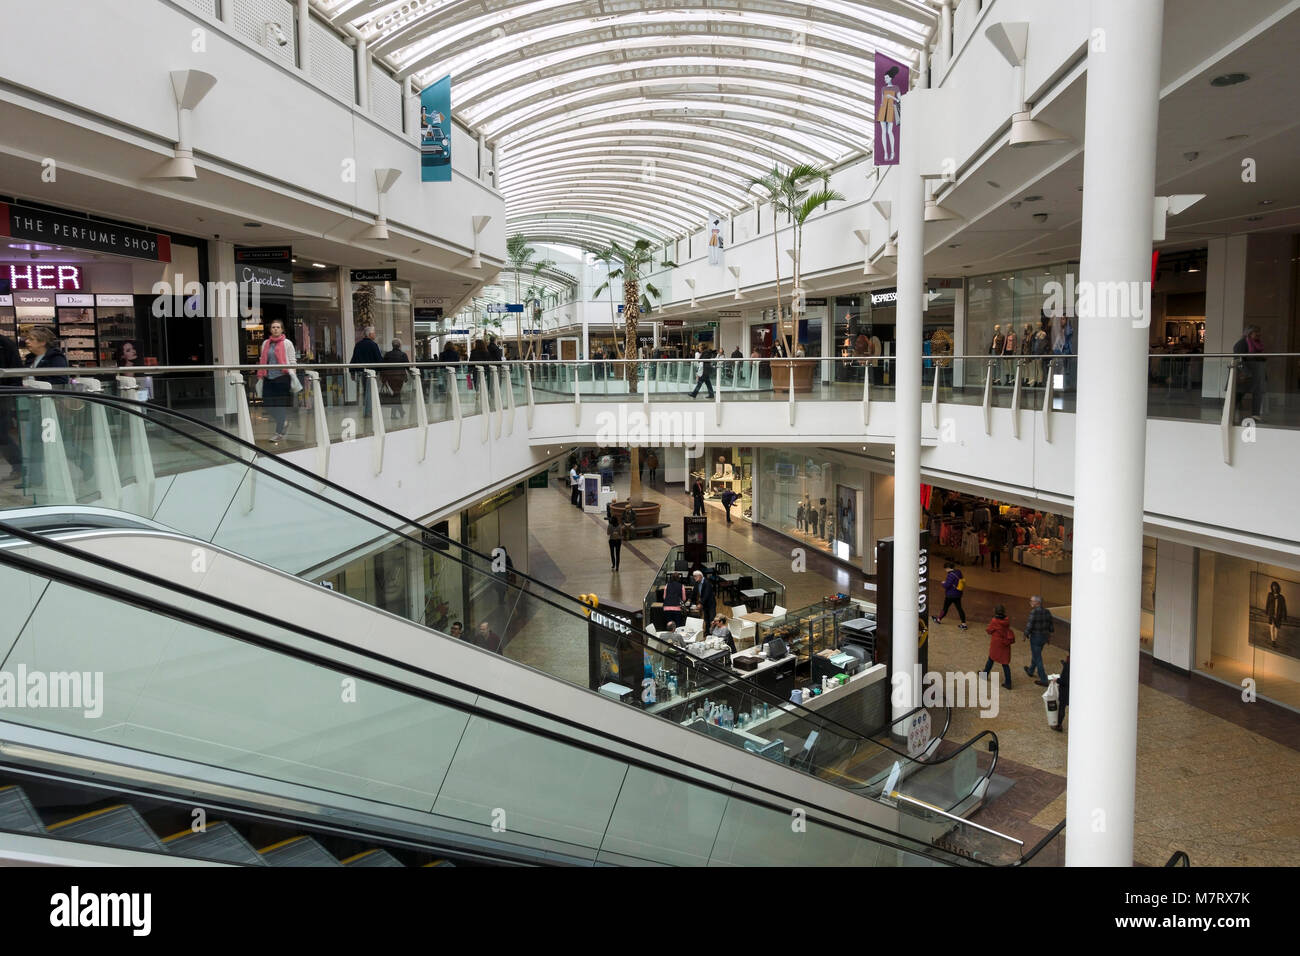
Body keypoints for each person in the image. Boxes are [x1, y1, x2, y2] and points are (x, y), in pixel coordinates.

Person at [257, 319, 298, 443]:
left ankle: (278, 432)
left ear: (282, 330)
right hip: (268, 378)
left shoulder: (287, 343)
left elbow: (292, 361)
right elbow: (262, 359)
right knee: (268, 405)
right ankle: (284, 422)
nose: (275, 329)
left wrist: (292, 376)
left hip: (282, 378)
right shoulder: (265, 343)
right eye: (273, 327)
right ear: (270, 330)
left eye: (278, 327)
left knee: (279, 407)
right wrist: (260, 374)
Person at [350, 325, 384, 420]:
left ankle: (367, 409)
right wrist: (381, 371)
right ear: (369, 334)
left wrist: (352, 372)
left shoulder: (358, 345)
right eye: (374, 333)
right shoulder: (373, 345)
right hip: (371, 373)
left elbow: (354, 359)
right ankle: (368, 411)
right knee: (371, 391)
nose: (375, 335)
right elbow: (379, 360)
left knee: (365, 391)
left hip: (361, 372)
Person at [1232, 325, 1267, 420]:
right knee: (1239, 393)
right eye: (1256, 332)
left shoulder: (1257, 344)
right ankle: (1229, 411)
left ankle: (1255, 414)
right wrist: (1246, 372)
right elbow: (1238, 359)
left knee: (1257, 392)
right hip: (1245, 373)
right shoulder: (1241, 344)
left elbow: (1259, 357)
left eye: (1259, 331)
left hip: (1256, 372)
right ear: (1249, 333)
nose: (1259, 334)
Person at [1022, 595, 1055, 686]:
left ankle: (1044, 679)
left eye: (1032, 601)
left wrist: (1025, 634)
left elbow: (1030, 625)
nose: (1030, 602)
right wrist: (1049, 636)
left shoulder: (1033, 612)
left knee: (1038, 658)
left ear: (1038, 602)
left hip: (1036, 637)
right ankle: (1030, 670)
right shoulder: (1047, 612)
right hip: (1044, 637)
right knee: (1036, 654)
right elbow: (1051, 625)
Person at [982, 605, 1015, 690]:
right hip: (1005, 643)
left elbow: (989, 630)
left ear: (995, 611)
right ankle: (1008, 682)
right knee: (1005, 663)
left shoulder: (994, 620)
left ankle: (985, 674)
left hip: (997, 643)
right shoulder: (1007, 620)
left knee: (991, 658)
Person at [380, 338, 410, 421]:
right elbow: (407, 366)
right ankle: (395, 414)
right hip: (399, 377)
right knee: (396, 394)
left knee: (396, 394)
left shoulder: (387, 354)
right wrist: (411, 374)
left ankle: (400, 412)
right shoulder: (403, 354)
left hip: (390, 378)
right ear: (400, 346)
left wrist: (383, 377)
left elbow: (383, 366)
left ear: (392, 345)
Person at [932, 561, 968, 629]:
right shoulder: (958, 572)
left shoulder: (950, 575)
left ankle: (938, 619)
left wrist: (943, 583)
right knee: (959, 608)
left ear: (948, 568)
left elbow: (947, 585)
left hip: (950, 595)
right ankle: (964, 624)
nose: (945, 570)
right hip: (958, 594)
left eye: (945, 569)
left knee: (945, 608)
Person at [1266, 581, 1288, 646]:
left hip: (1278, 615)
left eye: (1275, 587)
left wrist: (1284, 616)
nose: (1274, 588)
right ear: (1272, 588)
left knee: (1276, 628)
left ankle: (1274, 640)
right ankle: (1273, 641)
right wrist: (1267, 611)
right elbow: (1268, 604)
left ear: (1278, 587)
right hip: (1271, 614)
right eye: (1273, 587)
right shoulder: (1270, 595)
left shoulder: (1281, 597)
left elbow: (1284, 607)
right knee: (1271, 627)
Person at [1054, 653, 1070, 732]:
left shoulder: (1068, 666)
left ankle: (1059, 725)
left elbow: (1064, 681)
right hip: (1071, 690)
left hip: (1065, 691)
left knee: (1062, 708)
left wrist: (1057, 680)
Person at [607, 500, 624, 571]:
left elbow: (608, 533)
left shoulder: (610, 525)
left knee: (612, 553)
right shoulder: (619, 526)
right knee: (618, 554)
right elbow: (621, 533)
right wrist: (617, 534)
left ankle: (613, 564)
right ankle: (617, 566)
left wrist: (612, 533)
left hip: (612, 541)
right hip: (618, 541)